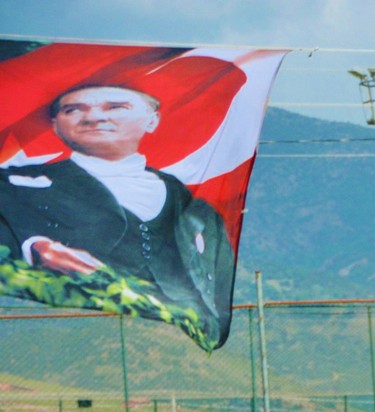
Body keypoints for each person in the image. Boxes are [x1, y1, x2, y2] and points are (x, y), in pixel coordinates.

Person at [0, 84, 233, 345]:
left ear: (152, 120)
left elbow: (217, 271)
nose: (94, 117)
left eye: (116, 107)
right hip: (71, 332)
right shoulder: (14, 184)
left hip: (175, 336)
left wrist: (212, 322)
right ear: (55, 125)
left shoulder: (189, 202)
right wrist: (31, 246)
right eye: (73, 109)